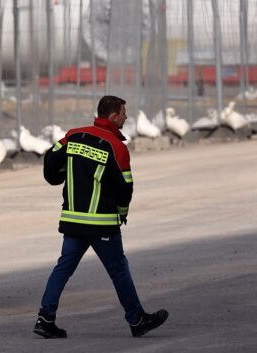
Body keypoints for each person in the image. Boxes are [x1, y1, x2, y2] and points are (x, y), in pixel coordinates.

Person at [33, 95, 168, 340]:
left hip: (73, 220)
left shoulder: (72, 136)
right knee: (118, 270)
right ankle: (137, 320)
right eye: (124, 113)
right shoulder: (116, 147)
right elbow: (125, 188)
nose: (126, 118)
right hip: (102, 223)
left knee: (62, 269)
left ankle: (45, 319)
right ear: (113, 116)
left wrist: (58, 176)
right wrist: (122, 214)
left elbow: (50, 160)